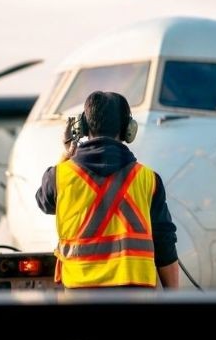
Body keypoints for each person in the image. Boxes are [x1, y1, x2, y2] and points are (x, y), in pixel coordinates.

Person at [36, 91, 179, 289]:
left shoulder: (59, 176)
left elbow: (44, 202)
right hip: (135, 295)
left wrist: (67, 154)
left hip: (79, 293)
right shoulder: (148, 180)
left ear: (82, 126)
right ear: (128, 129)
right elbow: (164, 244)